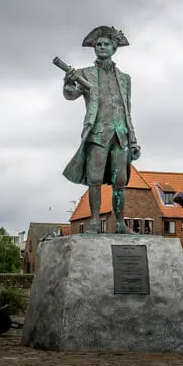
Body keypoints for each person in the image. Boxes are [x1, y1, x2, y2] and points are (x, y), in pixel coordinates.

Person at [61, 26, 141, 233]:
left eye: (106, 44)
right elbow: (70, 95)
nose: (102, 47)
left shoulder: (125, 79)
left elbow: (127, 110)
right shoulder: (85, 74)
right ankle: (95, 221)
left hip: (120, 134)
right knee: (94, 178)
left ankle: (120, 224)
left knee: (120, 181)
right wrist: (68, 81)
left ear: (114, 48)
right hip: (97, 133)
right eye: (98, 44)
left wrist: (133, 139)